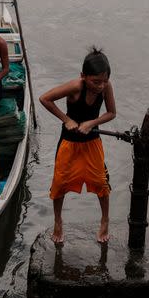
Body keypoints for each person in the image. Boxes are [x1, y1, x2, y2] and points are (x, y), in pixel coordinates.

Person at [40, 47, 117, 243]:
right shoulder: (76, 86)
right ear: (83, 76)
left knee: (101, 182)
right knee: (60, 183)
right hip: (69, 143)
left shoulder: (106, 87)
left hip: (92, 143)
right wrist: (67, 120)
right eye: (95, 81)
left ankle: (105, 220)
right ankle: (58, 221)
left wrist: (92, 123)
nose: (100, 86)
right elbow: (45, 99)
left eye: (104, 81)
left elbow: (111, 113)